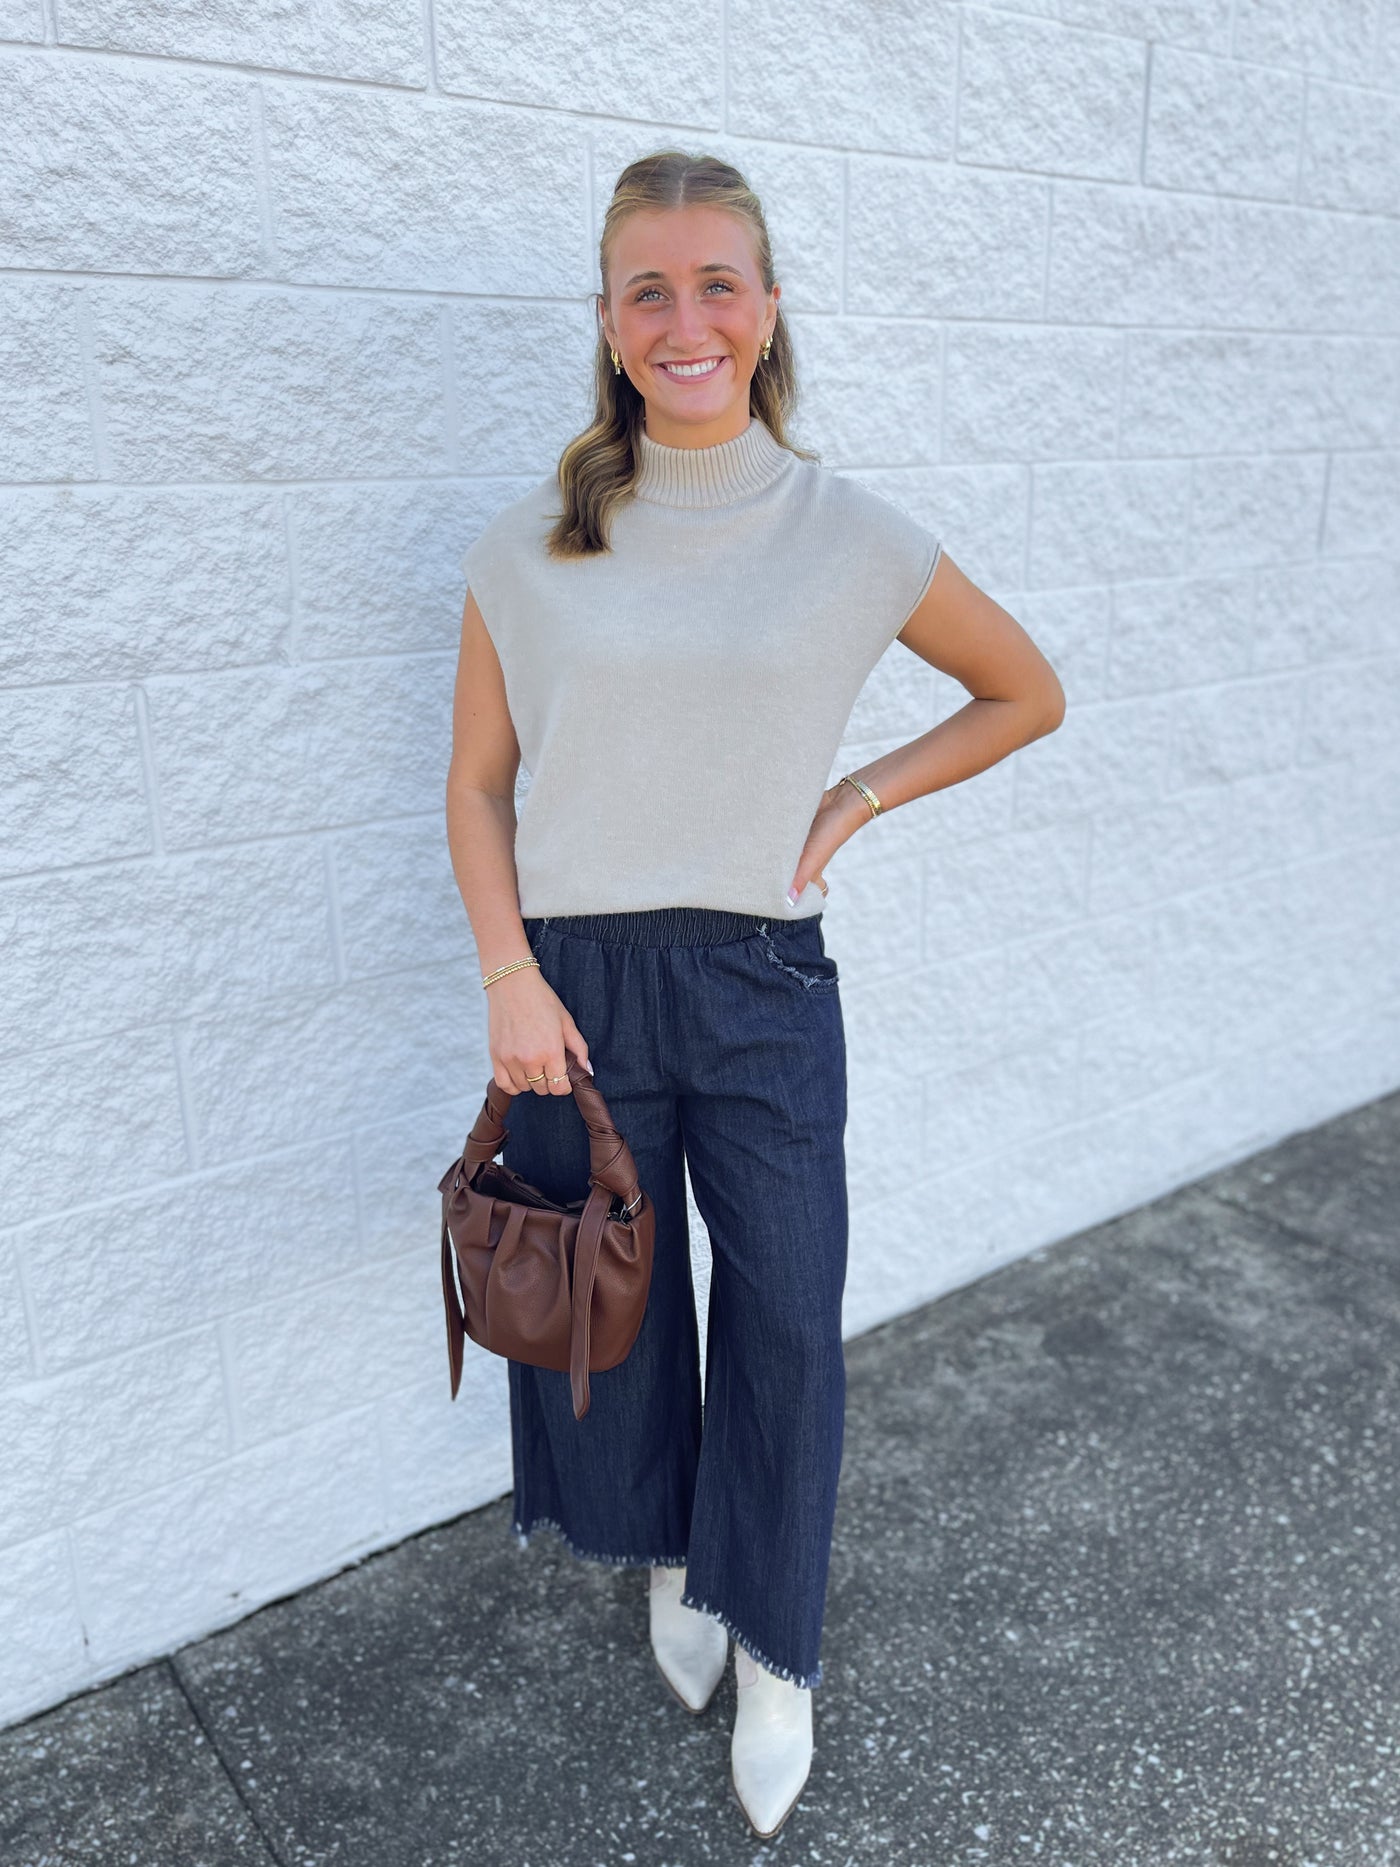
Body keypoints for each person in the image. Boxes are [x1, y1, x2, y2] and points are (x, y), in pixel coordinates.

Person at [445, 148, 1065, 1840]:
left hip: (762, 979)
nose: (686, 319)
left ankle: (775, 1636)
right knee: (622, 1308)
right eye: (649, 289)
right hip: (573, 991)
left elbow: (1023, 691)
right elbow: (480, 787)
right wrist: (508, 976)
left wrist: (852, 802)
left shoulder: (850, 534)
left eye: (718, 283)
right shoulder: (527, 549)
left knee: (786, 1312)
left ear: (770, 309)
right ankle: (672, 1556)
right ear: (608, 323)